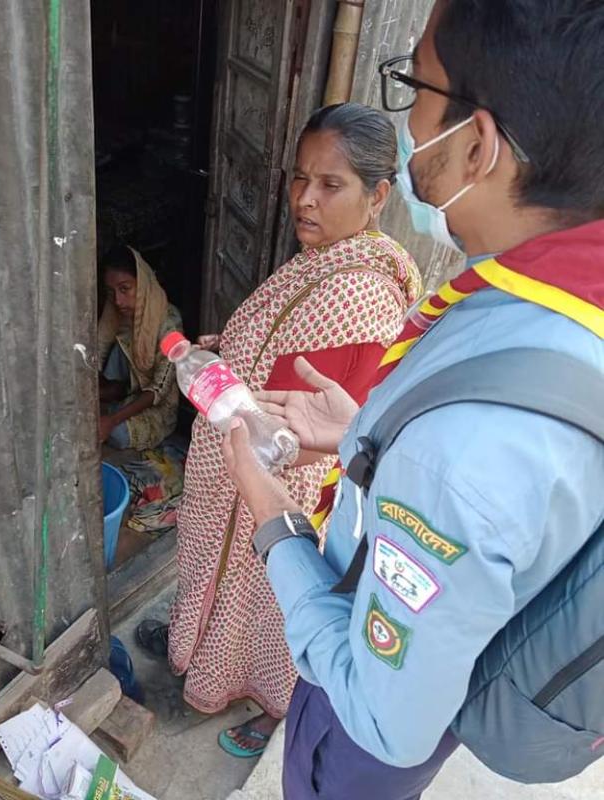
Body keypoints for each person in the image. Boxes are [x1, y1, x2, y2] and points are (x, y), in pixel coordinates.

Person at [221, 1, 604, 797]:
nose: (406, 115)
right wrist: (368, 438)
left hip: (370, 719)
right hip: (453, 639)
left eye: (413, 84)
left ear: (475, 144)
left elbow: (384, 718)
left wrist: (273, 522)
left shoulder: (464, 451)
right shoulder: (544, 305)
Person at [138, 104, 422, 757]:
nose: (304, 199)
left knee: (266, 605)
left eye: (330, 185)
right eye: (299, 179)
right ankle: (196, 654)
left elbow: (300, 409)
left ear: (376, 195)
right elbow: (269, 356)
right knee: (214, 579)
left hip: (281, 480)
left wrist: (225, 392)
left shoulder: (356, 289)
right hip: (250, 456)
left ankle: (271, 707)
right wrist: (211, 355)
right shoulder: (334, 256)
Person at [98, 245, 182, 450]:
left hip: (157, 407)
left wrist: (112, 420)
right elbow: (96, 352)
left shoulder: (169, 323)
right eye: (112, 292)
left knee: (118, 435)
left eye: (125, 289)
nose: (118, 300)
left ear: (142, 284)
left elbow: (158, 390)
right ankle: (114, 392)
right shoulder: (116, 313)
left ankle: (114, 402)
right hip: (129, 392)